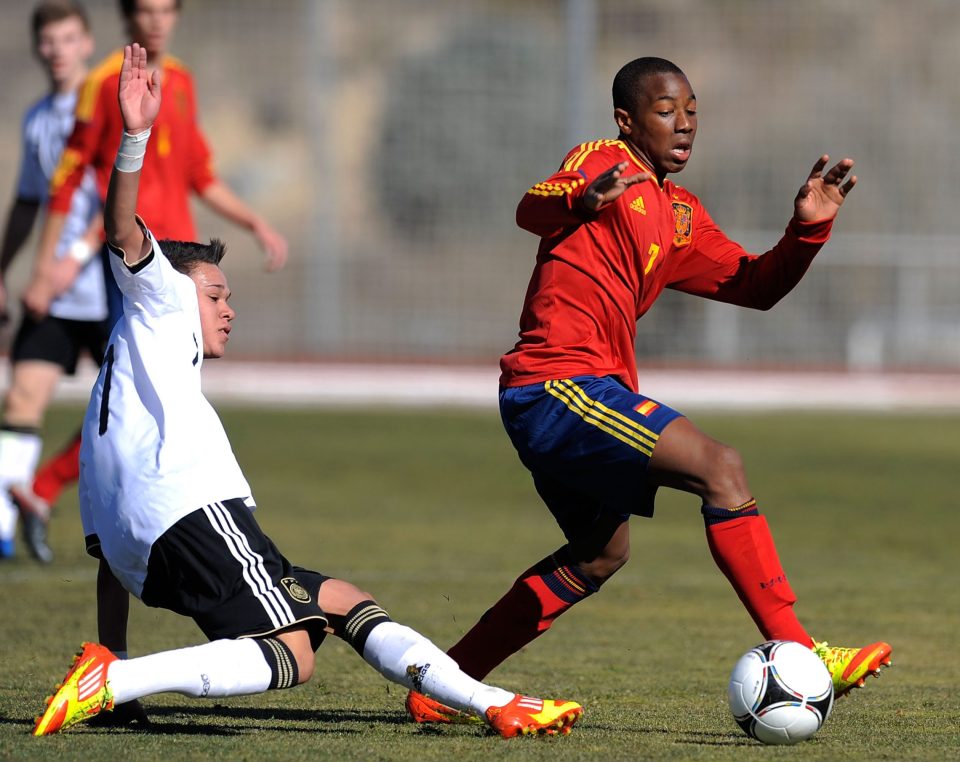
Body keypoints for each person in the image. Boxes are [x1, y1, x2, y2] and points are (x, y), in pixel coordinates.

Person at [32, 44, 582, 740]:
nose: (228, 308)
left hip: (147, 548)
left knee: (339, 601)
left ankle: (490, 701)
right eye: (217, 294)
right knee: (290, 657)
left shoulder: (121, 392)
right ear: (171, 289)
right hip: (192, 511)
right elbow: (121, 230)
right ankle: (116, 680)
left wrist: (112, 643)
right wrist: (136, 134)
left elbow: (107, 559)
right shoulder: (159, 296)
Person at [406, 56, 892, 725]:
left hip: (573, 391)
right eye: (666, 110)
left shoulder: (680, 213)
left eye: (692, 109)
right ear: (627, 120)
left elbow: (755, 286)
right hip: (557, 384)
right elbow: (530, 208)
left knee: (600, 555)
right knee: (720, 468)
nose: (684, 123)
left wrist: (808, 228)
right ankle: (802, 649)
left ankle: (444, 683)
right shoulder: (604, 161)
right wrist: (579, 200)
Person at [11, 0, 289, 563]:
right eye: (145, 10)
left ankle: (56, 492)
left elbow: (198, 173)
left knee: (162, 394)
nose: (156, 21)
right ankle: (63, 496)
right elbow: (75, 180)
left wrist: (253, 220)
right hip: (134, 262)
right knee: (133, 392)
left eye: (166, 10)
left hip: (181, 264)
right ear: (127, 17)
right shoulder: (102, 83)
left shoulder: (182, 81)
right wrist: (57, 263)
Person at [0, 0, 105, 564]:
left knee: (125, 415)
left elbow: (121, 194)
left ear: (86, 43)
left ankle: (43, 489)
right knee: (20, 397)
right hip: (54, 294)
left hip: (108, 287)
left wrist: (69, 262)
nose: (57, 50)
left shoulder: (108, 104)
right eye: (48, 40)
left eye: (68, 39)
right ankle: (5, 527)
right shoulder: (39, 118)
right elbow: (26, 202)